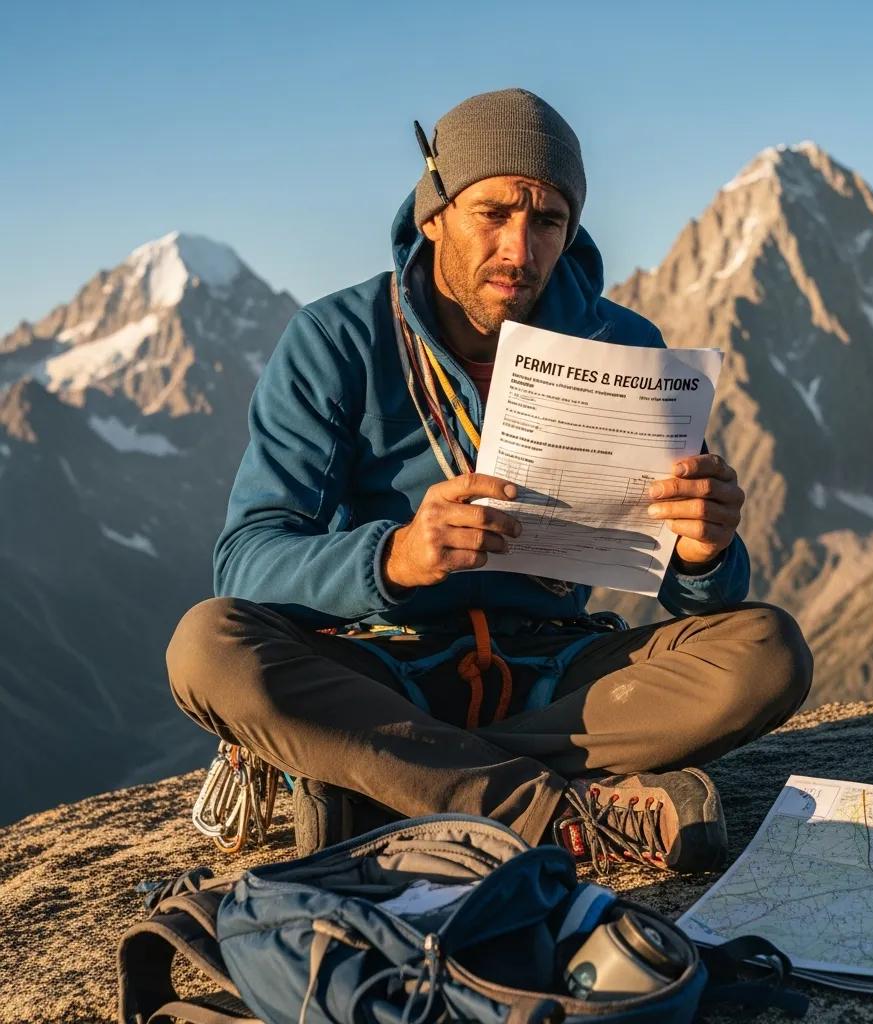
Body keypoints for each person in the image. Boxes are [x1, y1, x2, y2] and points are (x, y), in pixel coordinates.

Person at [167, 88, 813, 874]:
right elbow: (247, 560)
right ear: (433, 211)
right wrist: (395, 558)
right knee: (207, 647)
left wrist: (705, 552)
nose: (521, 249)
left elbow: (699, 603)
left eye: (548, 222)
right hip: (380, 665)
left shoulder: (625, 347)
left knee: (767, 651)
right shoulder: (337, 341)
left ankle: (390, 786)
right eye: (495, 214)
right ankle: (560, 811)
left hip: (557, 675)